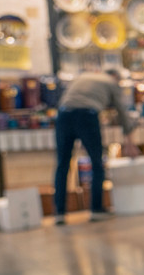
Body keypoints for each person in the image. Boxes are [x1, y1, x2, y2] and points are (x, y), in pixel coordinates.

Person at [53, 68, 138, 224]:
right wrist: (129, 142)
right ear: (115, 77)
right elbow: (122, 112)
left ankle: (59, 213)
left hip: (63, 115)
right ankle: (96, 210)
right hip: (86, 116)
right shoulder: (111, 82)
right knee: (97, 163)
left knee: (62, 165)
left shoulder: (83, 76)